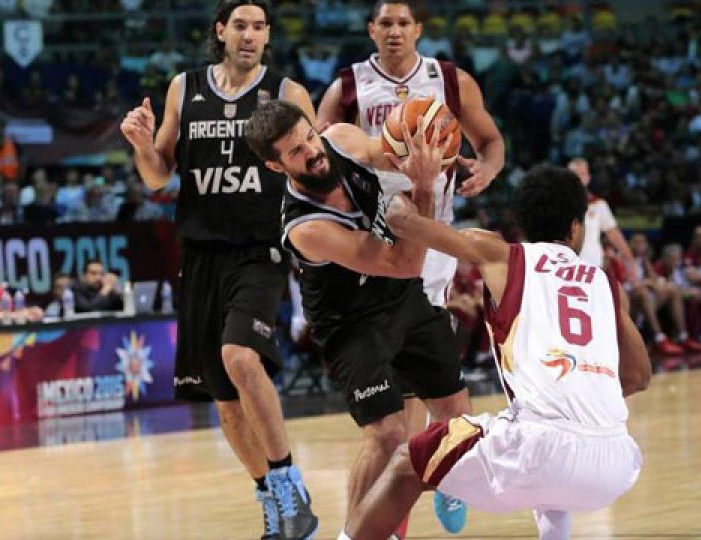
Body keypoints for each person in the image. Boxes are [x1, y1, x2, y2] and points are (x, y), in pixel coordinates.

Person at [339, 164, 651, 540]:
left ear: (521, 224)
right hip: (614, 465)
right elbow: (638, 376)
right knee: (551, 478)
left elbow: (403, 222)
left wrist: (405, 184)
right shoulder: (605, 284)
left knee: (409, 462)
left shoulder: (501, 254)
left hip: (539, 450)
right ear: (575, 228)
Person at [119, 2, 319, 539]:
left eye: (259, 27)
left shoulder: (287, 93)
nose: (249, 35)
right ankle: (270, 497)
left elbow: (317, 168)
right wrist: (142, 145)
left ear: (268, 35)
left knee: (240, 356)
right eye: (240, 25)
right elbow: (158, 176)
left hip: (260, 251)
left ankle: (289, 480)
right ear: (221, 31)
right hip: (201, 256)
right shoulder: (184, 88)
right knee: (225, 403)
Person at [317, 2, 506, 531]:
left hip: (432, 239)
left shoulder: (449, 80)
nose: (395, 31)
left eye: (404, 23)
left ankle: (435, 479)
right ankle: (405, 503)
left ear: (418, 29)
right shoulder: (347, 88)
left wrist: (486, 170)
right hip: (374, 242)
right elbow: (317, 157)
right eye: (386, 23)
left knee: (423, 383)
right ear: (371, 29)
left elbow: (491, 140)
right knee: (398, 403)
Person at [243, 99, 471, 533]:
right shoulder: (305, 227)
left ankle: (447, 476)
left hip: (401, 299)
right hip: (350, 324)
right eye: (296, 151)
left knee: (456, 416)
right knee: (387, 434)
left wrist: (430, 148)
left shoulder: (341, 140)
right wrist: (423, 190)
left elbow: (391, 154)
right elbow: (405, 262)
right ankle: (353, 534)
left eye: (310, 137)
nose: (312, 151)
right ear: (276, 166)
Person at [626, 233, 701, 355]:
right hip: (629, 300)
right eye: (637, 242)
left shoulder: (643, 260)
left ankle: (682, 336)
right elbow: (628, 284)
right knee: (644, 293)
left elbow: (654, 279)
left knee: (673, 289)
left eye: (643, 242)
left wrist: (646, 262)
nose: (640, 245)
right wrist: (647, 283)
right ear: (629, 244)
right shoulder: (624, 259)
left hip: (646, 299)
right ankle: (659, 339)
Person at [568, 157, 633, 271]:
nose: (578, 178)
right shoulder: (557, 204)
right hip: (565, 266)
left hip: (592, 266)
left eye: (582, 174)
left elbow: (613, 234)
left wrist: (629, 258)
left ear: (588, 178)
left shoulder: (599, 204)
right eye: (575, 174)